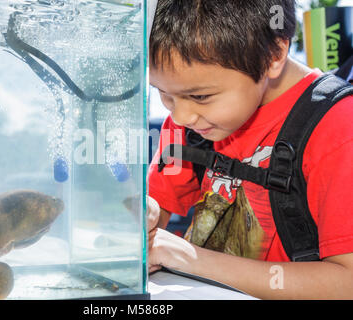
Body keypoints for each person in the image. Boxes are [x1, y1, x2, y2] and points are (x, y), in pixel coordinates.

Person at [147, 0, 353, 299]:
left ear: (274, 54)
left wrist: (192, 259)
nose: (180, 117)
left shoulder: (338, 128)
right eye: (164, 95)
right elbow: (158, 201)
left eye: (201, 95)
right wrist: (147, 213)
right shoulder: (196, 116)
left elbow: (347, 284)